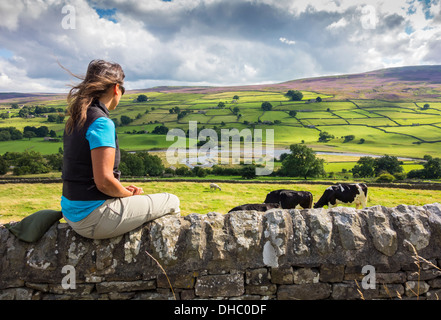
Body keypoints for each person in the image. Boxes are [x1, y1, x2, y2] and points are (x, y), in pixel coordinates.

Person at [60, 59, 180, 239]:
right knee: (172, 201)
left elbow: (91, 176)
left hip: (72, 211)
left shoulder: (77, 118)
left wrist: (123, 191)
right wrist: (127, 196)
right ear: (116, 88)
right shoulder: (101, 123)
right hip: (93, 217)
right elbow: (104, 182)